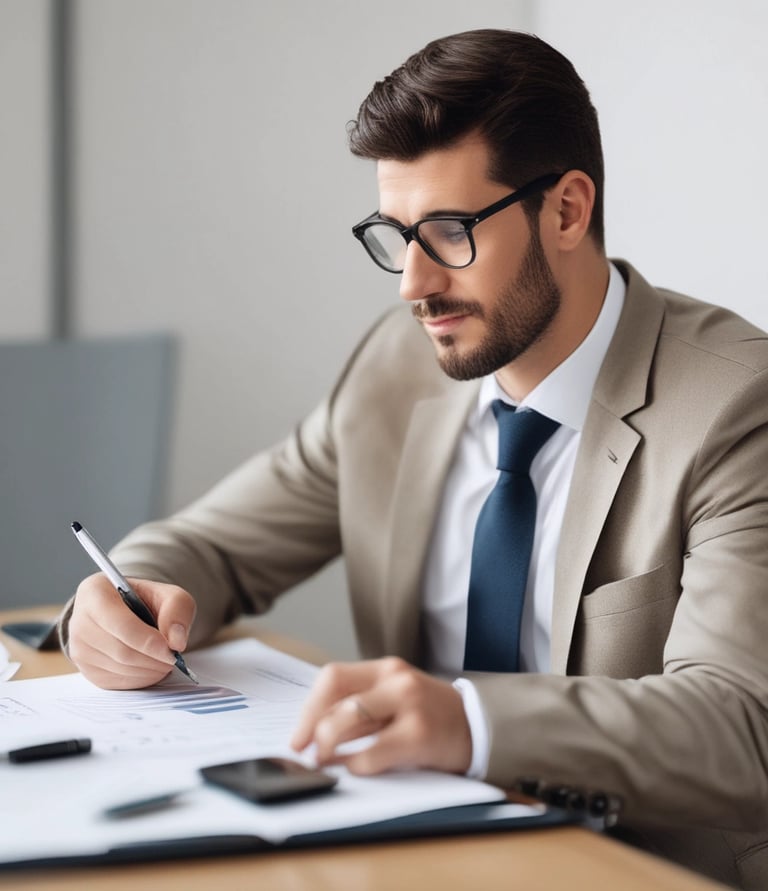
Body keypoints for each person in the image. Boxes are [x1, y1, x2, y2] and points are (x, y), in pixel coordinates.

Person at [60, 29, 768, 888]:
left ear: (568, 210)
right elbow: (214, 547)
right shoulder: (397, 373)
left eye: (449, 231)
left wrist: (469, 720)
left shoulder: (737, 405)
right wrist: (123, 596)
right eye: (395, 235)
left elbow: (741, 721)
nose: (412, 284)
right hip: (411, 857)